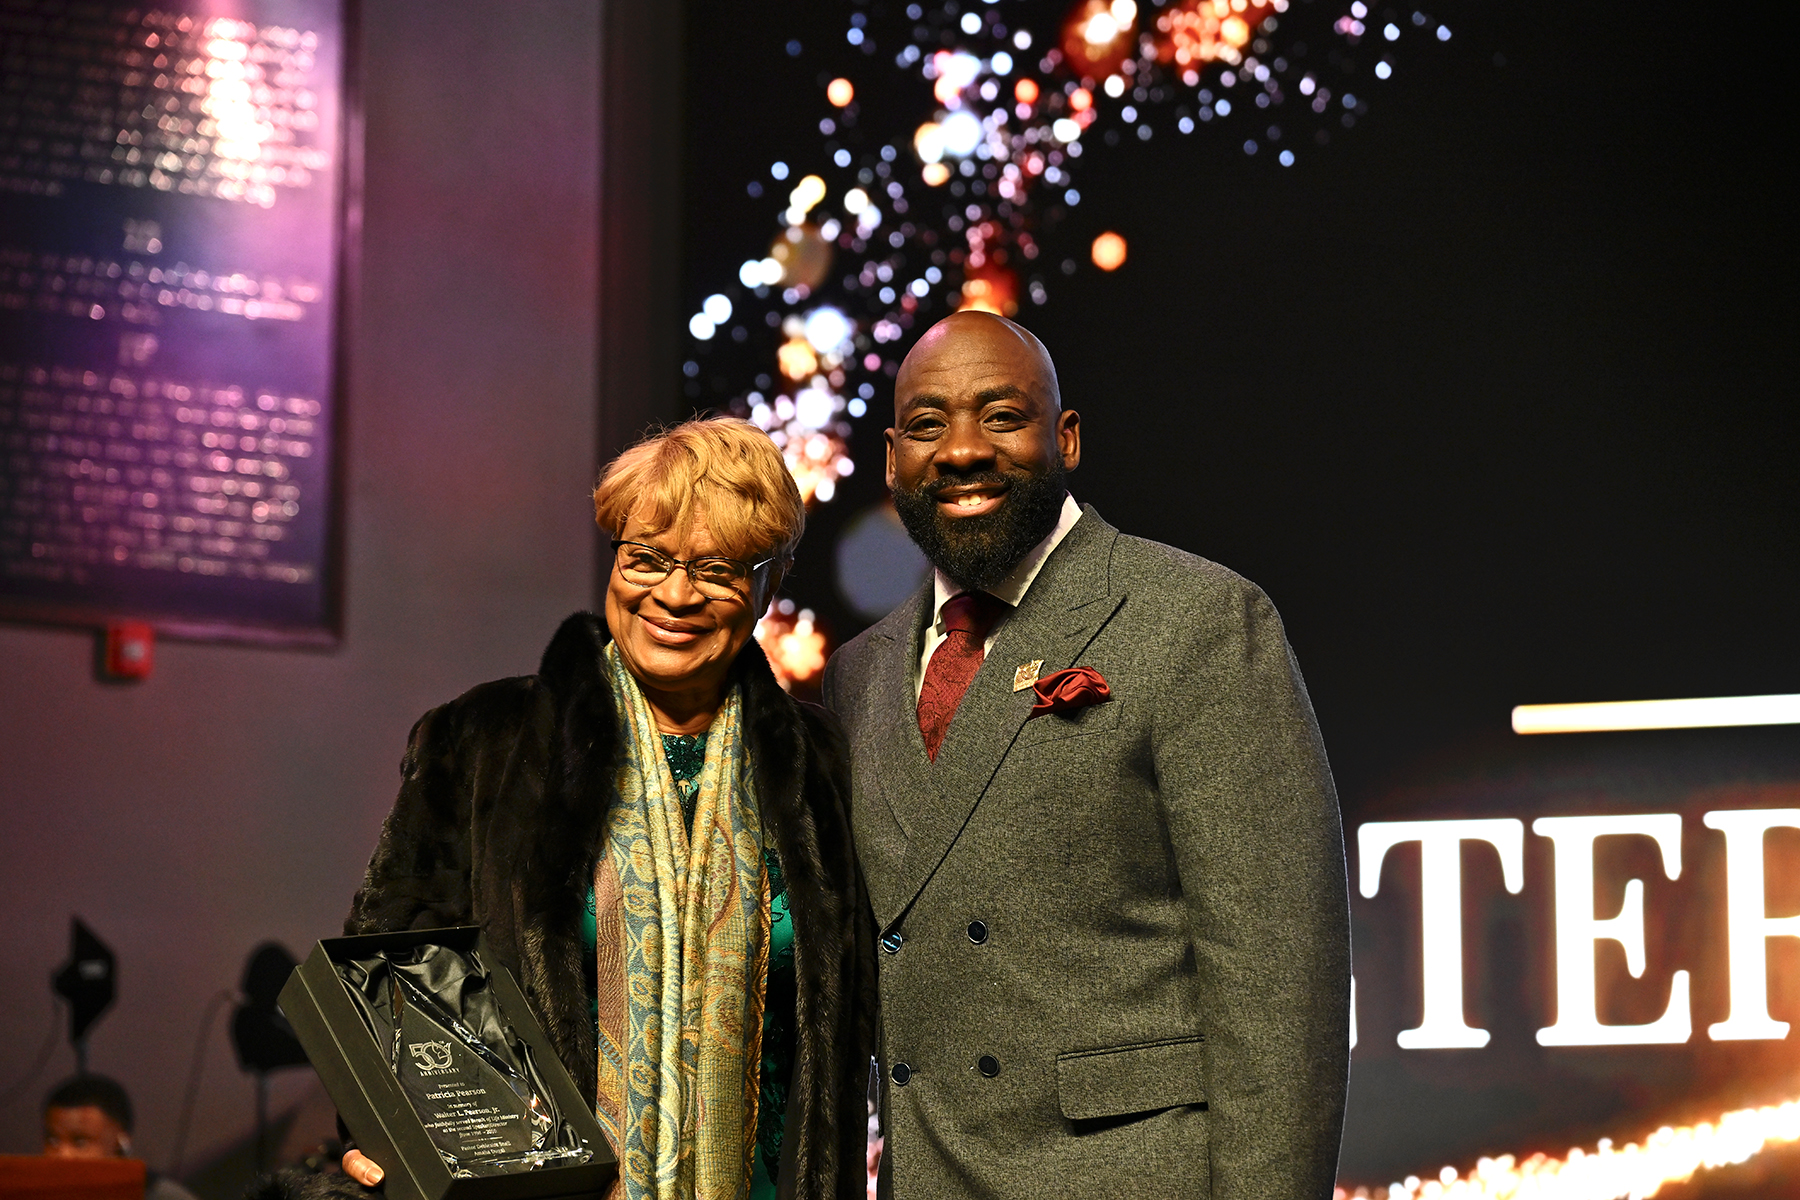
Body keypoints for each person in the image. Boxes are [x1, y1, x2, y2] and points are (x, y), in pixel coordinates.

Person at [821, 312, 1351, 1198]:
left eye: (1001, 415)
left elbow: (1279, 990)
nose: (961, 450)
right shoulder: (858, 676)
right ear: (890, 459)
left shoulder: (1197, 619)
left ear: (1065, 437)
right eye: (927, 424)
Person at [339, 417, 876, 1200]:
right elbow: (393, 961)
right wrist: (377, 1129)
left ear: (774, 578)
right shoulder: (486, 742)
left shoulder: (822, 762)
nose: (675, 595)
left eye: (717, 569)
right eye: (646, 559)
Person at [41, 1074, 201, 1200]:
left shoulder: (161, 1196)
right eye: (53, 1141)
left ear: (120, 1141)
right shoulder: (33, 1191)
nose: (63, 1154)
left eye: (80, 1142)